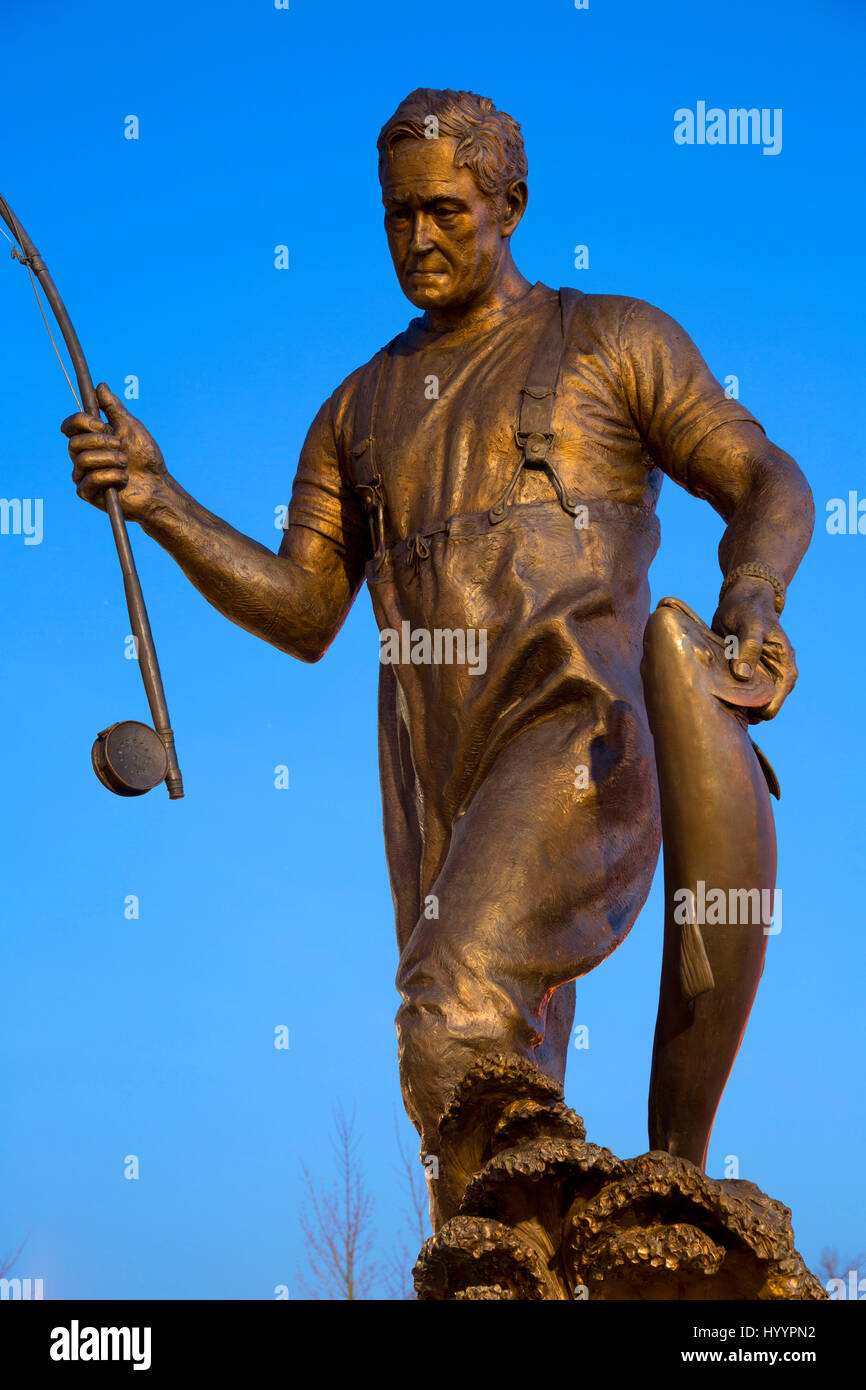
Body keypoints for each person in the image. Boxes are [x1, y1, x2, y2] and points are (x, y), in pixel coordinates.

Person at [62, 88, 813, 1227]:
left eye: (446, 212)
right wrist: (160, 499)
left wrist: (749, 596)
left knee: (448, 1005)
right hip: (432, 776)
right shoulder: (356, 409)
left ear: (510, 206)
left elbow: (764, 477)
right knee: (488, 1088)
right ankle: (524, 1259)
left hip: (579, 738)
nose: (417, 239)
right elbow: (305, 607)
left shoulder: (610, 342)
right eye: (397, 216)